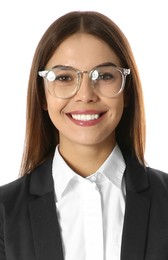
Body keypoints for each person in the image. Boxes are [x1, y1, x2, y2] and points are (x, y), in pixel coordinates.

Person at [0, 10, 168, 260]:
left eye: (104, 76)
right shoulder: (4, 213)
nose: (86, 94)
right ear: (42, 95)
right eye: (65, 77)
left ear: (127, 92)